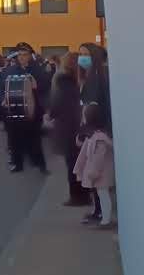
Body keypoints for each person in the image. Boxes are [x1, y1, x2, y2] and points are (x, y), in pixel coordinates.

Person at [47, 53, 90, 206]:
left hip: (67, 126)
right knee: (84, 160)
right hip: (83, 124)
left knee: (72, 163)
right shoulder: (85, 79)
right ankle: (87, 194)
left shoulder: (62, 80)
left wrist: (50, 114)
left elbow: (58, 102)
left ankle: (77, 196)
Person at [3, 44, 50, 174]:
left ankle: (40, 165)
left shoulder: (37, 70)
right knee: (15, 138)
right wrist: (3, 99)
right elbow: (1, 88)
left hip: (33, 110)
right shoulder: (10, 71)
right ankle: (17, 164)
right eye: (20, 55)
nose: (23, 58)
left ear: (30, 56)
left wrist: (36, 86)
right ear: (17, 56)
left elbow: (46, 86)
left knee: (35, 138)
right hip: (14, 110)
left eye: (25, 55)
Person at [72, 103, 116, 229]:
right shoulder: (97, 135)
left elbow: (98, 159)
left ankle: (106, 220)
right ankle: (104, 218)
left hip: (101, 173)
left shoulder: (99, 138)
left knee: (103, 195)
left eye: (84, 116)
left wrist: (93, 172)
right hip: (101, 173)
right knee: (102, 195)